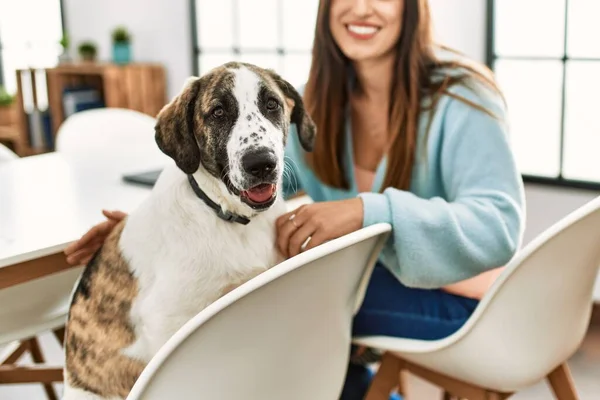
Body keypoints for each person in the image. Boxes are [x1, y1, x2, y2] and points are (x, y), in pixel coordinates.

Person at [64, 0, 525, 398]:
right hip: (372, 284)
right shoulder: (317, 99)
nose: (362, 8)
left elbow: (499, 224)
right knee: (294, 308)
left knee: (287, 305)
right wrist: (153, 236)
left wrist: (368, 210)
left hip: (475, 304)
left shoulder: (463, 96)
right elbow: (250, 188)